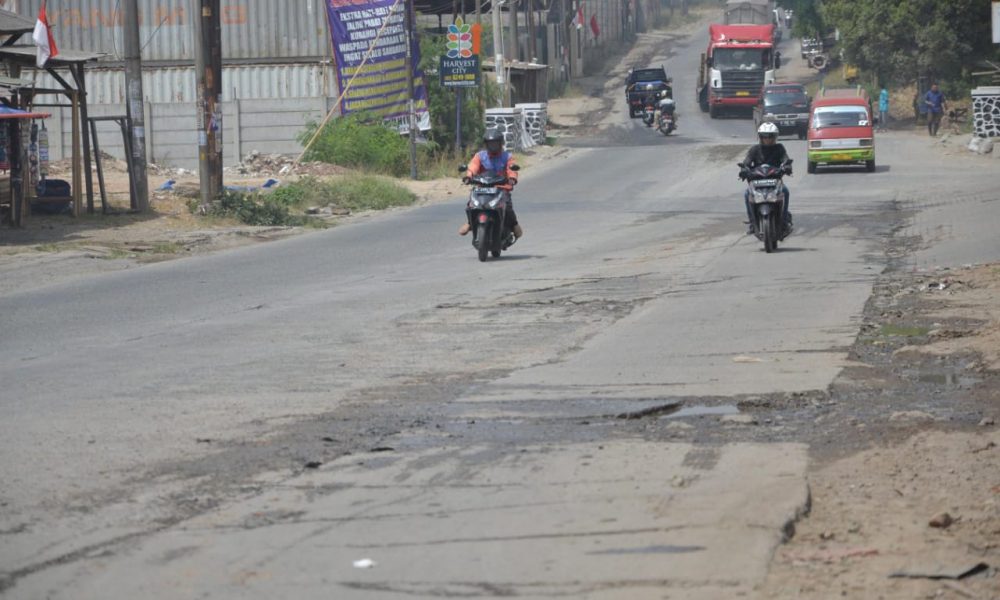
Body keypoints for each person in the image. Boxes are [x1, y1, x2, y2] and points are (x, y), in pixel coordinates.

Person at [458, 128, 523, 240]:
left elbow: (511, 169)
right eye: (490, 143)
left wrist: (512, 178)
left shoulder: (507, 156)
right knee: (471, 205)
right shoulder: (480, 156)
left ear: (500, 143)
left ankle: (514, 225)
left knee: (507, 206)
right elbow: (473, 166)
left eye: (495, 143)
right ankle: (470, 223)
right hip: (482, 187)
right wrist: (469, 176)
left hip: (501, 188)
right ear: (486, 144)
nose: (493, 145)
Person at [740, 122, 792, 235]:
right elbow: (747, 161)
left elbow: (785, 159)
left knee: (785, 192)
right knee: (746, 194)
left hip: (775, 181)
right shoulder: (754, 149)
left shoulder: (779, 148)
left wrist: (787, 166)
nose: (768, 139)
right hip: (757, 182)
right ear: (760, 137)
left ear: (775, 137)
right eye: (765, 136)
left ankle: (783, 222)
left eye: (771, 136)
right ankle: (752, 223)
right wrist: (744, 169)